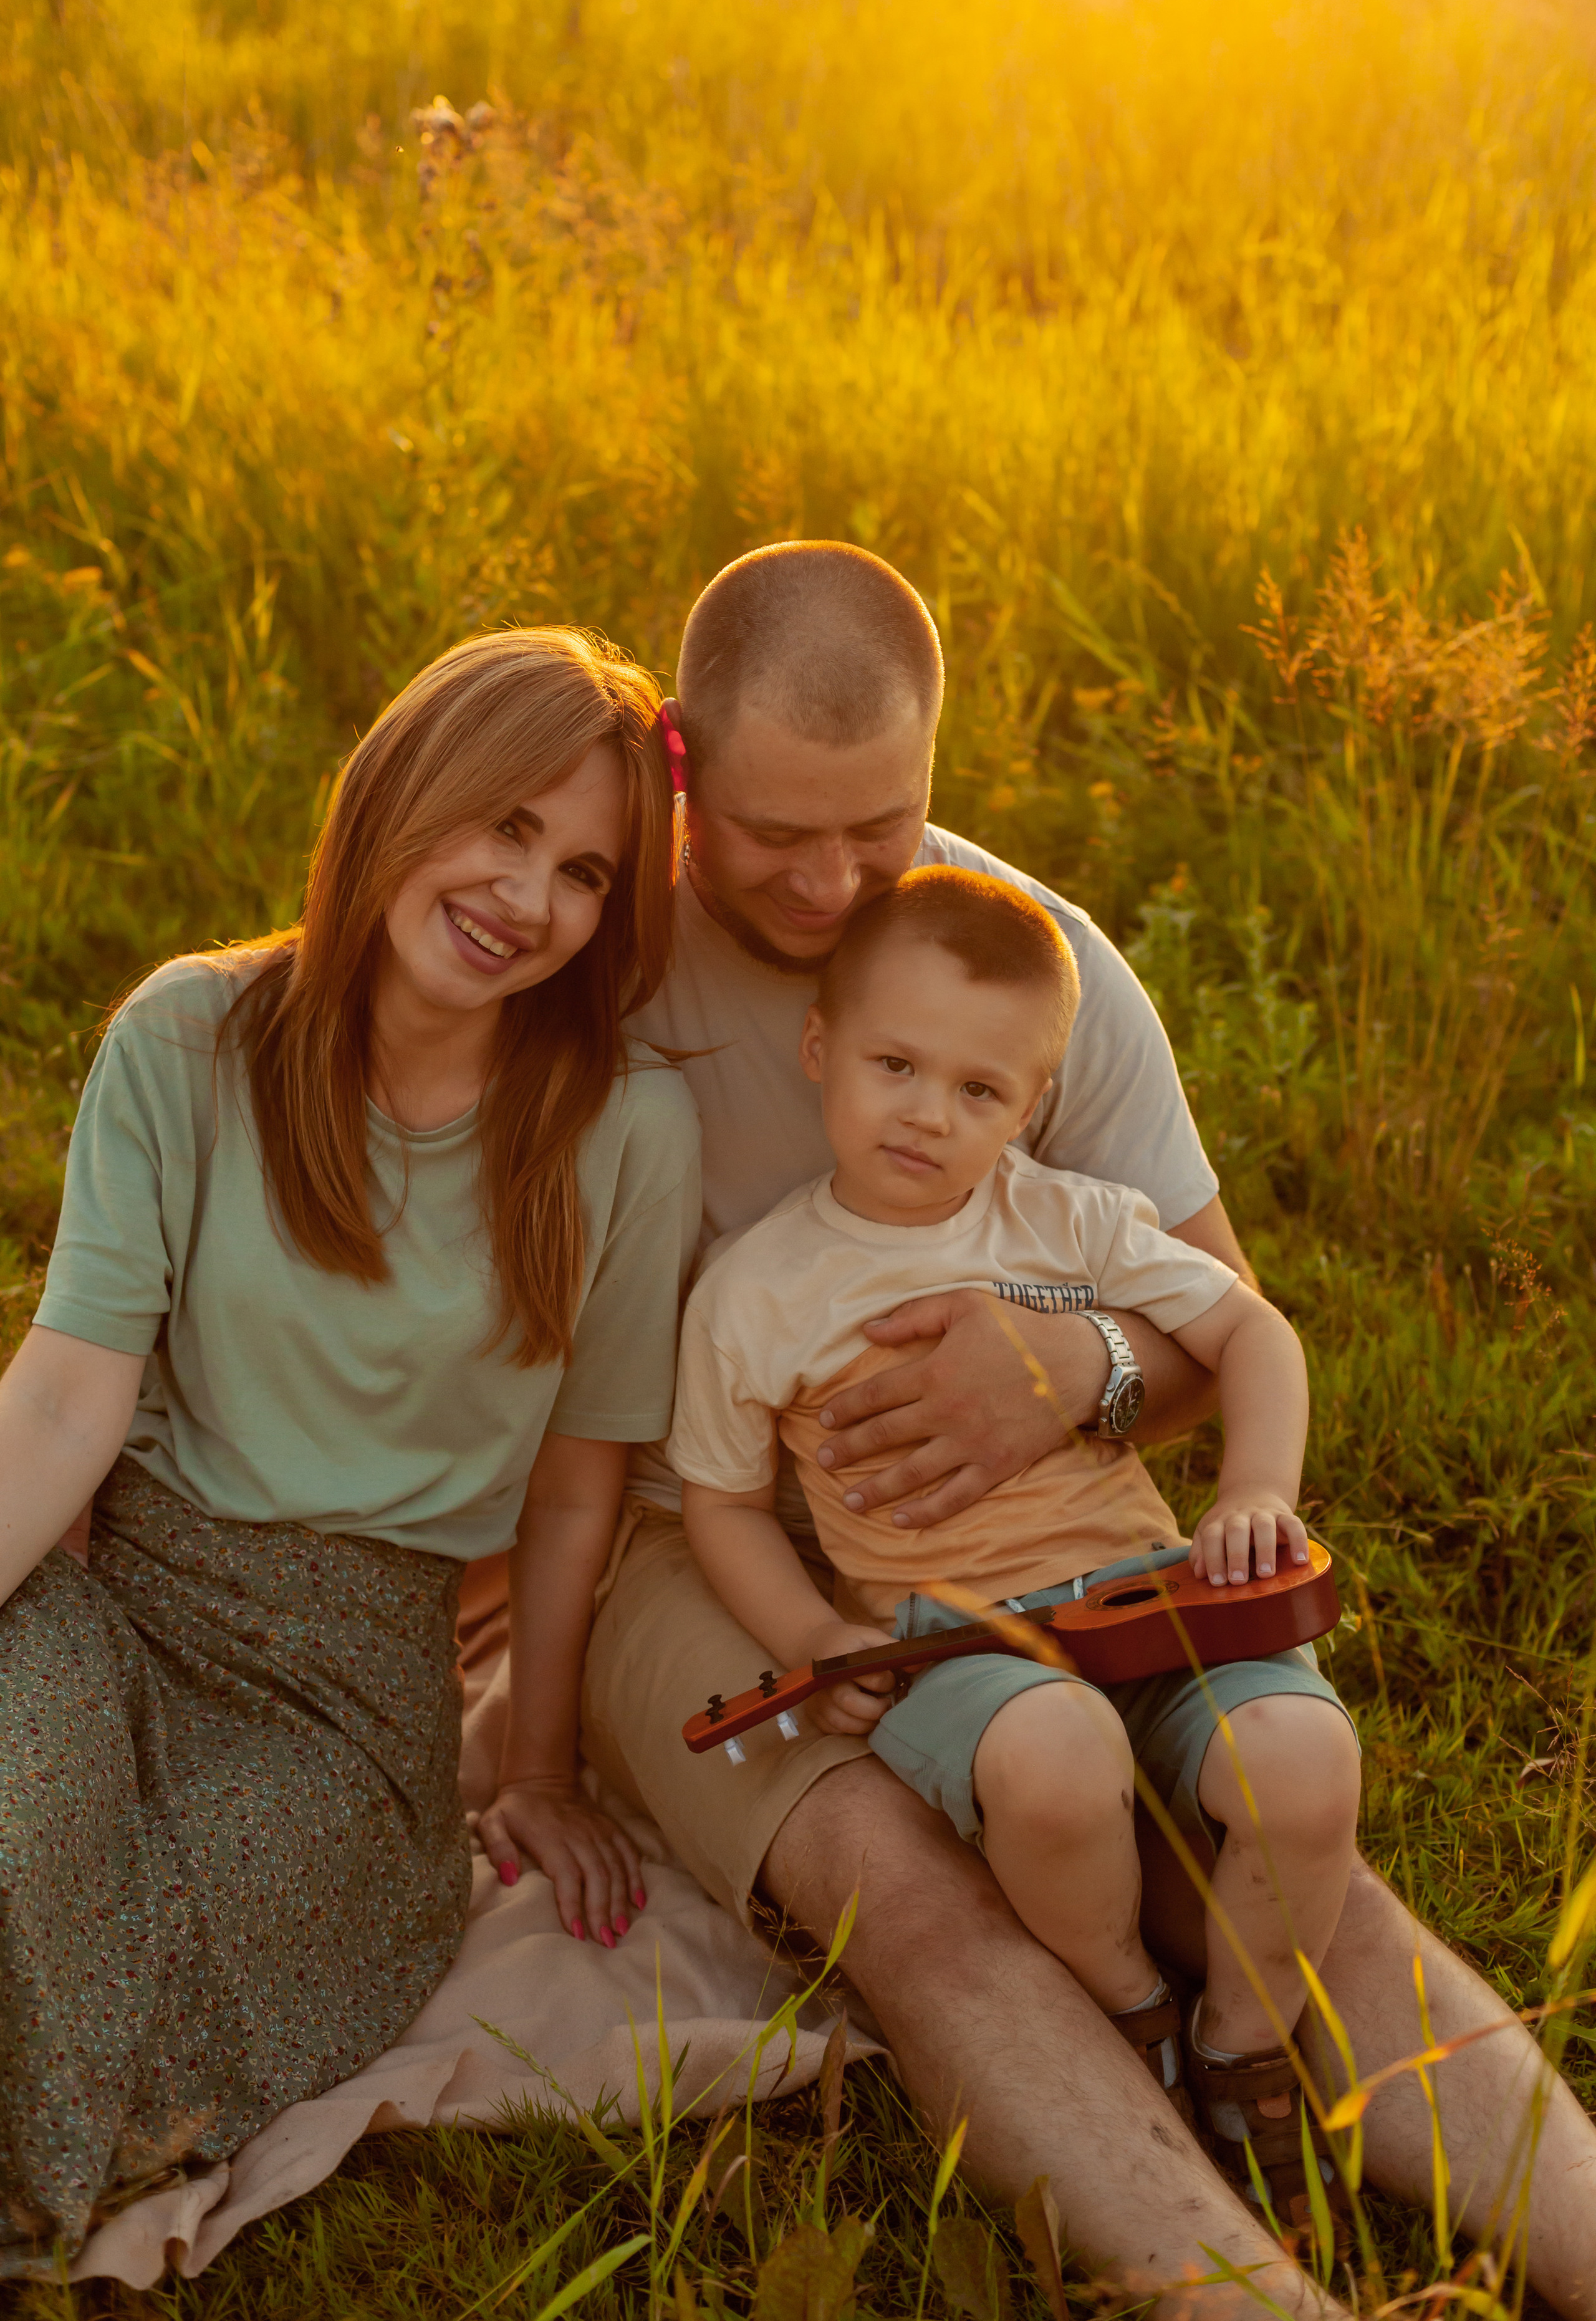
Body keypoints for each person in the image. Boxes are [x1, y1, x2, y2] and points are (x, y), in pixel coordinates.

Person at [454, 544, 1596, 2319]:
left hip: (1028, 1524)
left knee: (1278, 1854)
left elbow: (1213, 1316)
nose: (836, 880)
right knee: (905, 1882)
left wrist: (1084, 1375)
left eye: (884, 823)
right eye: (778, 833)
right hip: (699, 1523)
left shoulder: (1018, 955)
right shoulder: (575, 950)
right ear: (678, 759)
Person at [0, 628, 700, 2276]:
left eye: (586, 871)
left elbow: (580, 1483)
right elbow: (62, 1400)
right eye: (506, 826)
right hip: (115, 1584)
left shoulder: (623, 1130)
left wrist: (530, 1767)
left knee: (182, 1915)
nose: (531, 897)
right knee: (19, 1813)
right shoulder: (189, 1037)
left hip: (342, 1695)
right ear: (403, 788)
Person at [668, 866, 1362, 2237]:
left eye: (978, 1092)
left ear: (1029, 1106)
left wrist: (1254, 1489)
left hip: (1154, 1596)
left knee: (1304, 1765)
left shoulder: (1069, 1225)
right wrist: (811, 1636)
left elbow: (1252, 1334)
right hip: (959, 1638)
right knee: (1055, 1767)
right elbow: (722, 1506)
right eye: (893, 1065)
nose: (928, 1113)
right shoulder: (757, 1289)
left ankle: (1241, 2040)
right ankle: (1126, 2002)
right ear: (820, 1051)